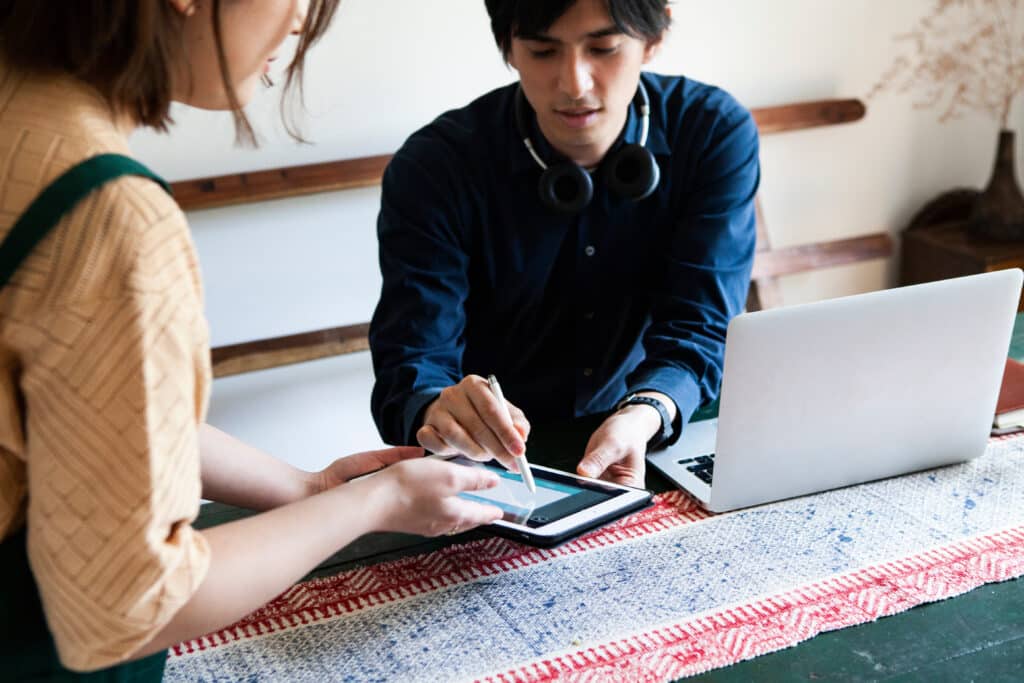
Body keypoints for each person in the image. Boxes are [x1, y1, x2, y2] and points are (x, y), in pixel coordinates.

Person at [0, 1, 503, 679]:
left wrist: (306, 487)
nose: (299, 25)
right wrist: (371, 502)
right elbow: (130, 604)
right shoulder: (109, 217)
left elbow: (83, 414)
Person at [369, 0, 760, 489]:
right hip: (491, 462)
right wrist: (438, 407)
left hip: (652, 428)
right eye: (542, 51)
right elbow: (412, 360)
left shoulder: (711, 133)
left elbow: (702, 324)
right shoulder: (435, 167)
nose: (574, 84)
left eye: (603, 48)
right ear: (510, 48)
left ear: (654, 38)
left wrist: (645, 411)